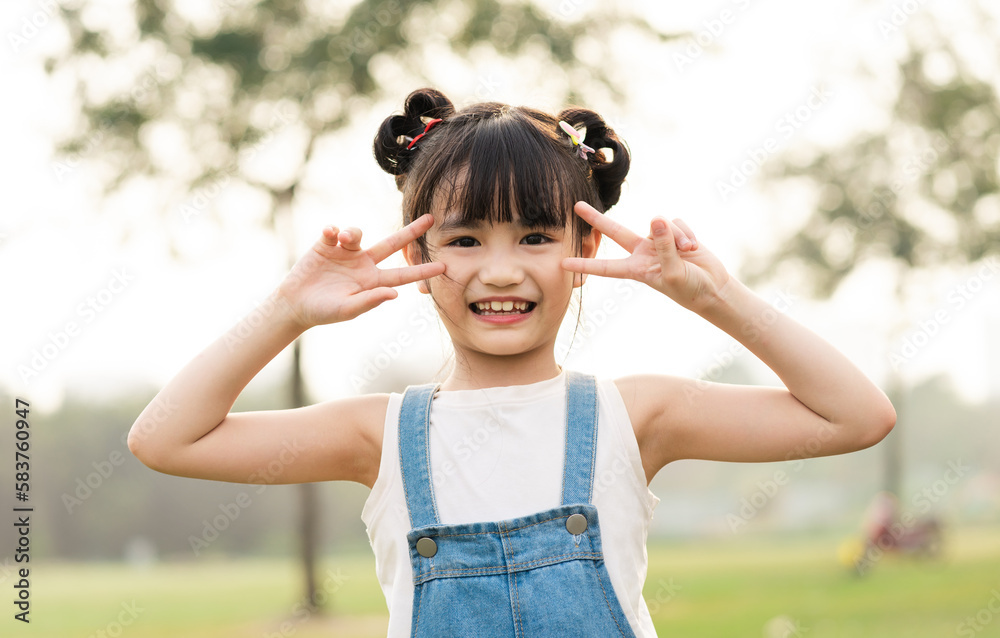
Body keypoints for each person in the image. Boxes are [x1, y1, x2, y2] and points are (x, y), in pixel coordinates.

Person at [128, 87, 897, 637]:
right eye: (465, 240)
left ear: (584, 246)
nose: (501, 271)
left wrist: (717, 298)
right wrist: (286, 310)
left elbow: (857, 416)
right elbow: (165, 439)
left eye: (534, 236)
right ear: (418, 251)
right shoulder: (382, 434)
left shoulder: (637, 415)